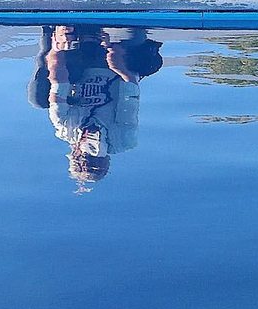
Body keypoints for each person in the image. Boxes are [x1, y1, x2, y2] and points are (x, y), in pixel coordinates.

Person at [28, 25, 163, 188]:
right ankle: (137, 24)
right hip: (115, 71)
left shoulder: (64, 127)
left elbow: (58, 75)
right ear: (106, 157)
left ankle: (49, 30)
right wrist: (116, 58)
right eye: (97, 158)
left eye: (85, 157)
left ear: (75, 151)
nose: (92, 147)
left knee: (38, 99)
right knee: (146, 61)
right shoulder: (123, 139)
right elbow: (130, 88)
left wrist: (58, 45)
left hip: (80, 66)